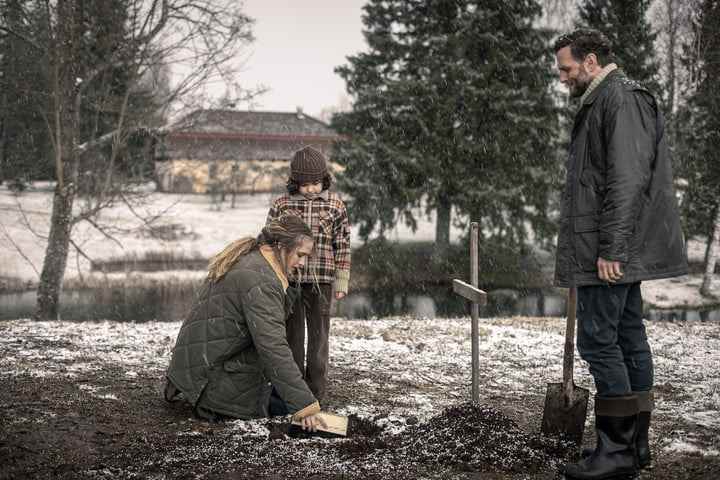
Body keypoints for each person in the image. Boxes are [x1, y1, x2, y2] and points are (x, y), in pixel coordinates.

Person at [553, 29, 688, 480]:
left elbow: (627, 180)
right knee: (627, 335)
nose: (562, 78)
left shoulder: (621, 99)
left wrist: (611, 248)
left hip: (609, 250)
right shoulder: (606, 99)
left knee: (599, 339)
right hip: (614, 246)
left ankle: (616, 452)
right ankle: (636, 446)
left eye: (566, 69)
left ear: (590, 61)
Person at [164, 215, 326, 431]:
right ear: (280, 245)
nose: (303, 263)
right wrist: (306, 407)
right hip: (210, 381)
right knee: (288, 412)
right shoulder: (261, 280)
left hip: (199, 371)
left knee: (283, 396)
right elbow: (272, 347)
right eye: (300, 255)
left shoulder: (253, 260)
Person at [266, 146, 351, 402]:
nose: (311, 189)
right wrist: (273, 274)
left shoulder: (335, 205)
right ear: (295, 182)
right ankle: (293, 392)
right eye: (304, 184)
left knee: (318, 339)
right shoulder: (282, 204)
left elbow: (343, 244)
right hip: (289, 281)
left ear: (324, 180)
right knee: (292, 338)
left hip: (322, 281)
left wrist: (342, 280)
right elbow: (270, 242)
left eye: (315, 183)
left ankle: (315, 393)